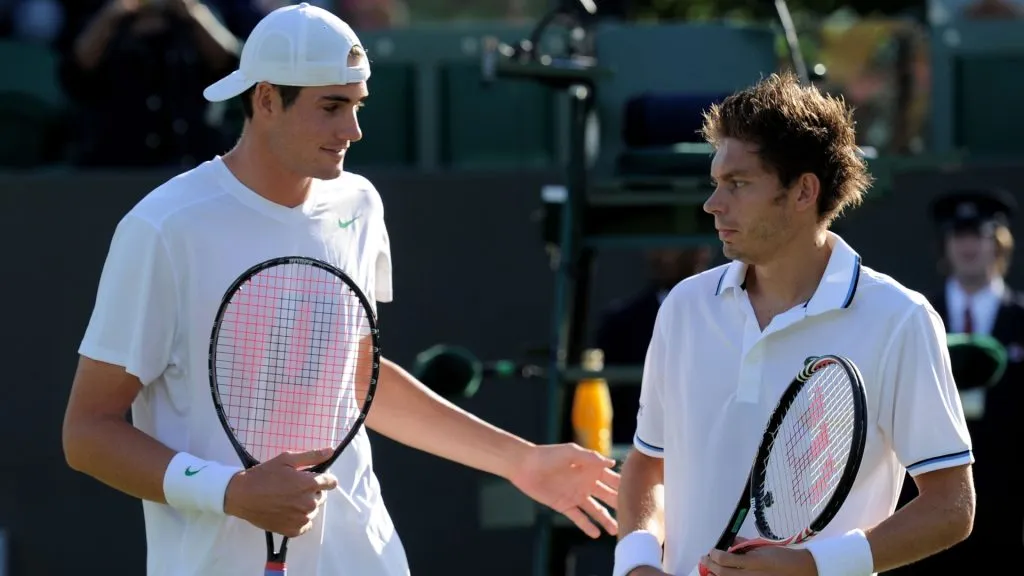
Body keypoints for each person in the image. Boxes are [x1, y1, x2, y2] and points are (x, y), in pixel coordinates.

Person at [60, 4, 619, 576]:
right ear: (267, 100)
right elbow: (87, 434)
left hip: (364, 555)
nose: (352, 130)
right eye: (331, 107)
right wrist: (231, 491)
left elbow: (355, 377)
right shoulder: (162, 227)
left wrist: (518, 460)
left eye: (356, 106)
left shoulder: (359, 204)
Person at [613, 72, 976, 576]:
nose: (713, 204)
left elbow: (951, 507)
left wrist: (810, 565)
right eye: (715, 183)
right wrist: (636, 563)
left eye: (738, 184)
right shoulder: (684, 306)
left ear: (804, 191)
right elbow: (647, 465)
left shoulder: (901, 320)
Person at [890, 188, 1023, 576]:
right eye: (958, 235)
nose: (968, 246)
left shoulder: (1021, 319)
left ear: (998, 243)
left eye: (979, 235)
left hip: (1007, 501)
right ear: (945, 245)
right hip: (928, 500)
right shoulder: (915, 317)